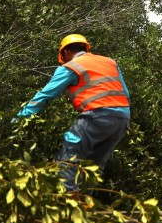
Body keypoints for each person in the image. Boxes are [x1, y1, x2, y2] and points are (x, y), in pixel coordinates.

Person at [17, 34, 131, 190]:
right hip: (122, 118)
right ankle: (85, 207)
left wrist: (19, 119)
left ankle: (67, 206)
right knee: (93, 167)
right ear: (84, 47)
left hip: (96, 116)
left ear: (65, 53)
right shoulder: (110, 62)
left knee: (68, 160)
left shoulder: (71, 67)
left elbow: (44, 96)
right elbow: (126, 93)